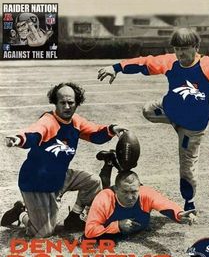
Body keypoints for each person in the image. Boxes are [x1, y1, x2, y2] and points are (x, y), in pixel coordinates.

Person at [97, 27, 209, 212]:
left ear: (196, 47)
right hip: (168, 110)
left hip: (191, 128)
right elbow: (144, 63)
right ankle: (173, 119)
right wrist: (116, 68)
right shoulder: (171, 61)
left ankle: (189, 202)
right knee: (147, 110)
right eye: (177, 49)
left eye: (185, 48)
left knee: (187, 169)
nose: (180, 53)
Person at [1, 82, 126, 237]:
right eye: (63, 103)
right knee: (43, 232)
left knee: (93, 182)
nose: (67, 107)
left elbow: (95, 134)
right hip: (35, 181)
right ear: (55, 103)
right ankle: (21, 213)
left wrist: (112, 129)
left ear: (77, 103)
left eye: (71, 102)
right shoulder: (49, 121)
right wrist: (19, 139)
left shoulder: (76, 121)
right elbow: (34, 134)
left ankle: (74, 217)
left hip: (59, 176)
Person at [85, 170, 196, 240]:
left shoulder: (145, 193)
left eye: (133, 192)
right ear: (116, 189)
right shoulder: (104, 199)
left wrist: (180, 214)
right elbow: (89, 231)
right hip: (99, 213)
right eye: (124, 192)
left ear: (139, 188)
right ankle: (107, 165)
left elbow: (164, 204)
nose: (130, 197)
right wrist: (117, 226)